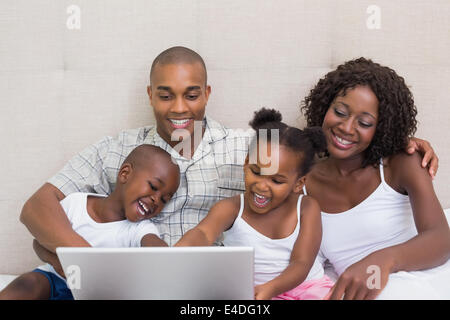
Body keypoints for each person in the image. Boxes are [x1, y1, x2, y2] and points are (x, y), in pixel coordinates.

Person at [20, 47, 439, 278]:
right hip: (121, 278)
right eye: (165, 95)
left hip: (204, 290)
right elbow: (37, 207)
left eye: (192, 94)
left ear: (208, 92)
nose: (179, 108)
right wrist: (87, 261)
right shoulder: (115, 150)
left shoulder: (250, 146)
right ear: (149, 94)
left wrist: (394, 140)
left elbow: (313, 148)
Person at [300, 57, 450, 300]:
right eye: (339, 112)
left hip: (422, 280)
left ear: (381, 128)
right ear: (324, 107)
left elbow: (441, 240)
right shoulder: (302, 185)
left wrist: (384, 260)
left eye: (365, 122)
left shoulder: (402, 163)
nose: (347, 128)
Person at [176, 108, 335, 300]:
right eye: (256, 172)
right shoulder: (232, 208)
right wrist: (180, 252)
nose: (261, 186)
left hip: (306, 289)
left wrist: (271, 288)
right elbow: (203, 233)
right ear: (246, 164)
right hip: (255, 293)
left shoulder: (307, 207)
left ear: (298, 184)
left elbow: (302, 263)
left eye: (276, 181)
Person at [0, 145, 180, 300]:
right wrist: (60, 265)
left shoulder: (141, 228)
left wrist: (166, 257)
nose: (157, 200)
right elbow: (38, 243)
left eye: (164, 199)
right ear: (125, 174)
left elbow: (154, 246)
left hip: (98, 294)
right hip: (55, 280)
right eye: (154, 187)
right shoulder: (76, 203)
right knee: (29, 282)